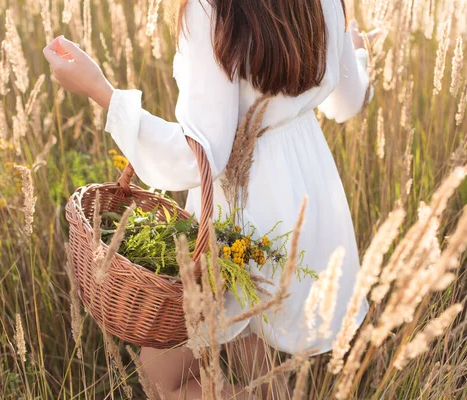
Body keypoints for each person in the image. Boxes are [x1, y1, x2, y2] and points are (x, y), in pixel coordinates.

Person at [43, 0, 379, 397]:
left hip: (242, 212)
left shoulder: (210, 8)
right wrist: (355, 49)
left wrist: (101, 91)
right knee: (264, 373)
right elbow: (347, 103)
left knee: (163, 379)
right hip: (307, 195)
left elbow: (200, 154)